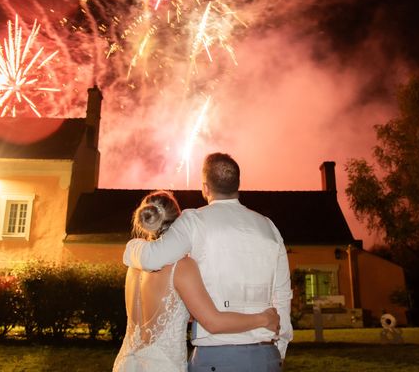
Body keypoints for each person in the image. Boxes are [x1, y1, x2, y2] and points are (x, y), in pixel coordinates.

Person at [124, 153, 293, 372]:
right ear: (238, 184)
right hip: (265, 355)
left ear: (205, 187)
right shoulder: (269, 227)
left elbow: (153, 258)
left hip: (216, 357)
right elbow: (282, 295)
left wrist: (130, 248)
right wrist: (277, 350)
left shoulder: (193, 221)